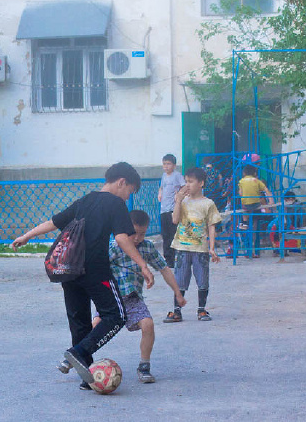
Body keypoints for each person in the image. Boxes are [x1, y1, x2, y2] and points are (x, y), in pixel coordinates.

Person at [11, 162, 155, 390]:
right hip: (95, 269)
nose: (128, 198)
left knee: (79, 322)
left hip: (69, 268)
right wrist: (143, 266)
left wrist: (26, 236)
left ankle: (86, 378)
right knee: (116, 316)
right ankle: (77, 352)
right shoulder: (115, 203)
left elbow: (53, 222)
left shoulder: (85, 200)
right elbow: (122, 238)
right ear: (122, 182)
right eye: (130, 191)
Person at [88, 210, 186, 384]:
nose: (137, 238)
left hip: (133, 299)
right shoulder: (114, 247)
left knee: (148, 324)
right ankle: (87, 362)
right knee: (96, 325)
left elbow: (164, 269)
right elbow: (96, 268)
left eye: (142, 233)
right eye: (133, 233)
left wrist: (177, 292)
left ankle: (144, 366)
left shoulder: (147, 247)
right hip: (111, 298)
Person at [163, 167, 221, 323]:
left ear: (201, 183)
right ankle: (177, 311)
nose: (187, 185)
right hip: (182, 247)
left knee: (202, 279)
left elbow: (211, 226)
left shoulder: (208, 203)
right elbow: (175, 220)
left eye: (191, 181)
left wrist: (212, 248)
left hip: (200, 249)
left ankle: (201, 310)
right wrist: (178, 200)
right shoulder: (182, 202)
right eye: (186, 181)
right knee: (180, 280)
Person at [238, 164, 274, 258]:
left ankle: (244, 223)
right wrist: (271, 201)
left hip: (246, 206)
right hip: (256, 206)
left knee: (246, 224)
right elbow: (266, 190)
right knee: (256, 228)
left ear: (244, 173)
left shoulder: (241, 181)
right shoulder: (257, 181)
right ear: (254, 173)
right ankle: (257, 252)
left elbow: (240, 193)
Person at [158, 154, 185, 269]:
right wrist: (159, 193)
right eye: (164, 164)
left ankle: (176, 257)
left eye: (168, 164)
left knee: (174, 234)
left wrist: (178, 195)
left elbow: (184, 187)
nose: (166, 166)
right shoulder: (164, 176)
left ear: (174, 165)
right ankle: (168, 259)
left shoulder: (177, 175)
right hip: (163, 209)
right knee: (165, 235)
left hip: (173, 209)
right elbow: (161, 187)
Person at [268, 191, 304, 255]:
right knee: (280, 243)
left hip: (287, 227)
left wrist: (297, 229)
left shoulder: (296, 207)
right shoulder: (276, 223)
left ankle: (286, 249)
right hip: (277, 231)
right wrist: (273, 243)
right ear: (285, 199)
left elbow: (295, 224)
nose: (290, 201)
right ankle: (277, 250)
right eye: (288, 199)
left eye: (292, 199)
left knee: (289, 240)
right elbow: (271, 234)